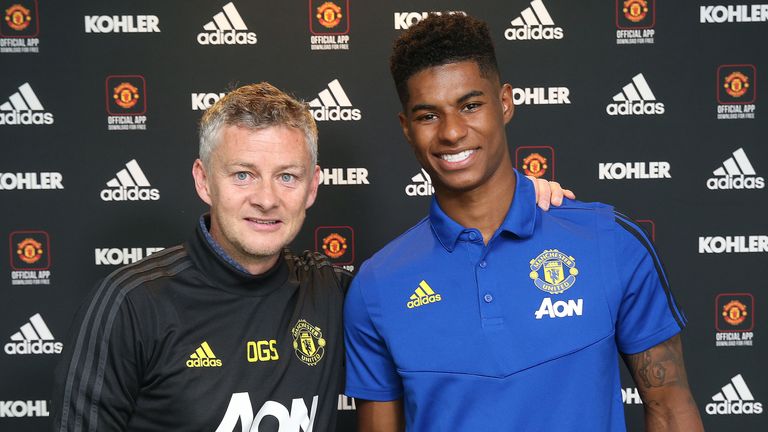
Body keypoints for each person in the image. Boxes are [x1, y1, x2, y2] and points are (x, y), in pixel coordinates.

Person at [51, 82, 571, 431]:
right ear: (202, 181)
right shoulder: (131, 303)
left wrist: (516, 202)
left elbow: (447, 289)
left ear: (313, 187)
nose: (266, 198)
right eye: (242, 174)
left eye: (287, 176)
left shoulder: (339, 293)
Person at [343, 14, 704, 432]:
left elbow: (670, 409)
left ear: (506, 103)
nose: (453, 132)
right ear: (407, 128)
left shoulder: (608, 242)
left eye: (471, 105)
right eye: (428, 116)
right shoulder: (376, 286)